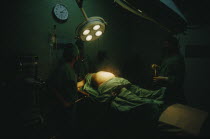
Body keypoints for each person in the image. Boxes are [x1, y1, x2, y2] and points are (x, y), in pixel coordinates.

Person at [77, 71, 167, 136]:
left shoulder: (89, 74)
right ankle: (155, 104)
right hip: (111, 85)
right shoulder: (86, 81)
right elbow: (77, 85)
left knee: (141, 92)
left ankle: (160, 95)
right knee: (135, 99)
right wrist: (80, 89)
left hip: (118, 81)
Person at [47, 43, 81, 137]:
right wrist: (64, 103)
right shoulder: (65, 70)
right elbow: (51, 86)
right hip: (65, 109)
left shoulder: (67, 69)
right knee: (65, 132)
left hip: (67, 107)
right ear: (76, 56)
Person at [151, 36, 186, 105]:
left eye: (167, 45)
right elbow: (167, 69)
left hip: (172, 93)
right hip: (163, 91)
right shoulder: (167, 57)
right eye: (164, 44)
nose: (165, 47)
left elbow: (179, 79)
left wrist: (163, 78)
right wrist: (157, 67)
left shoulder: (178, 59)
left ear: (173, 45)